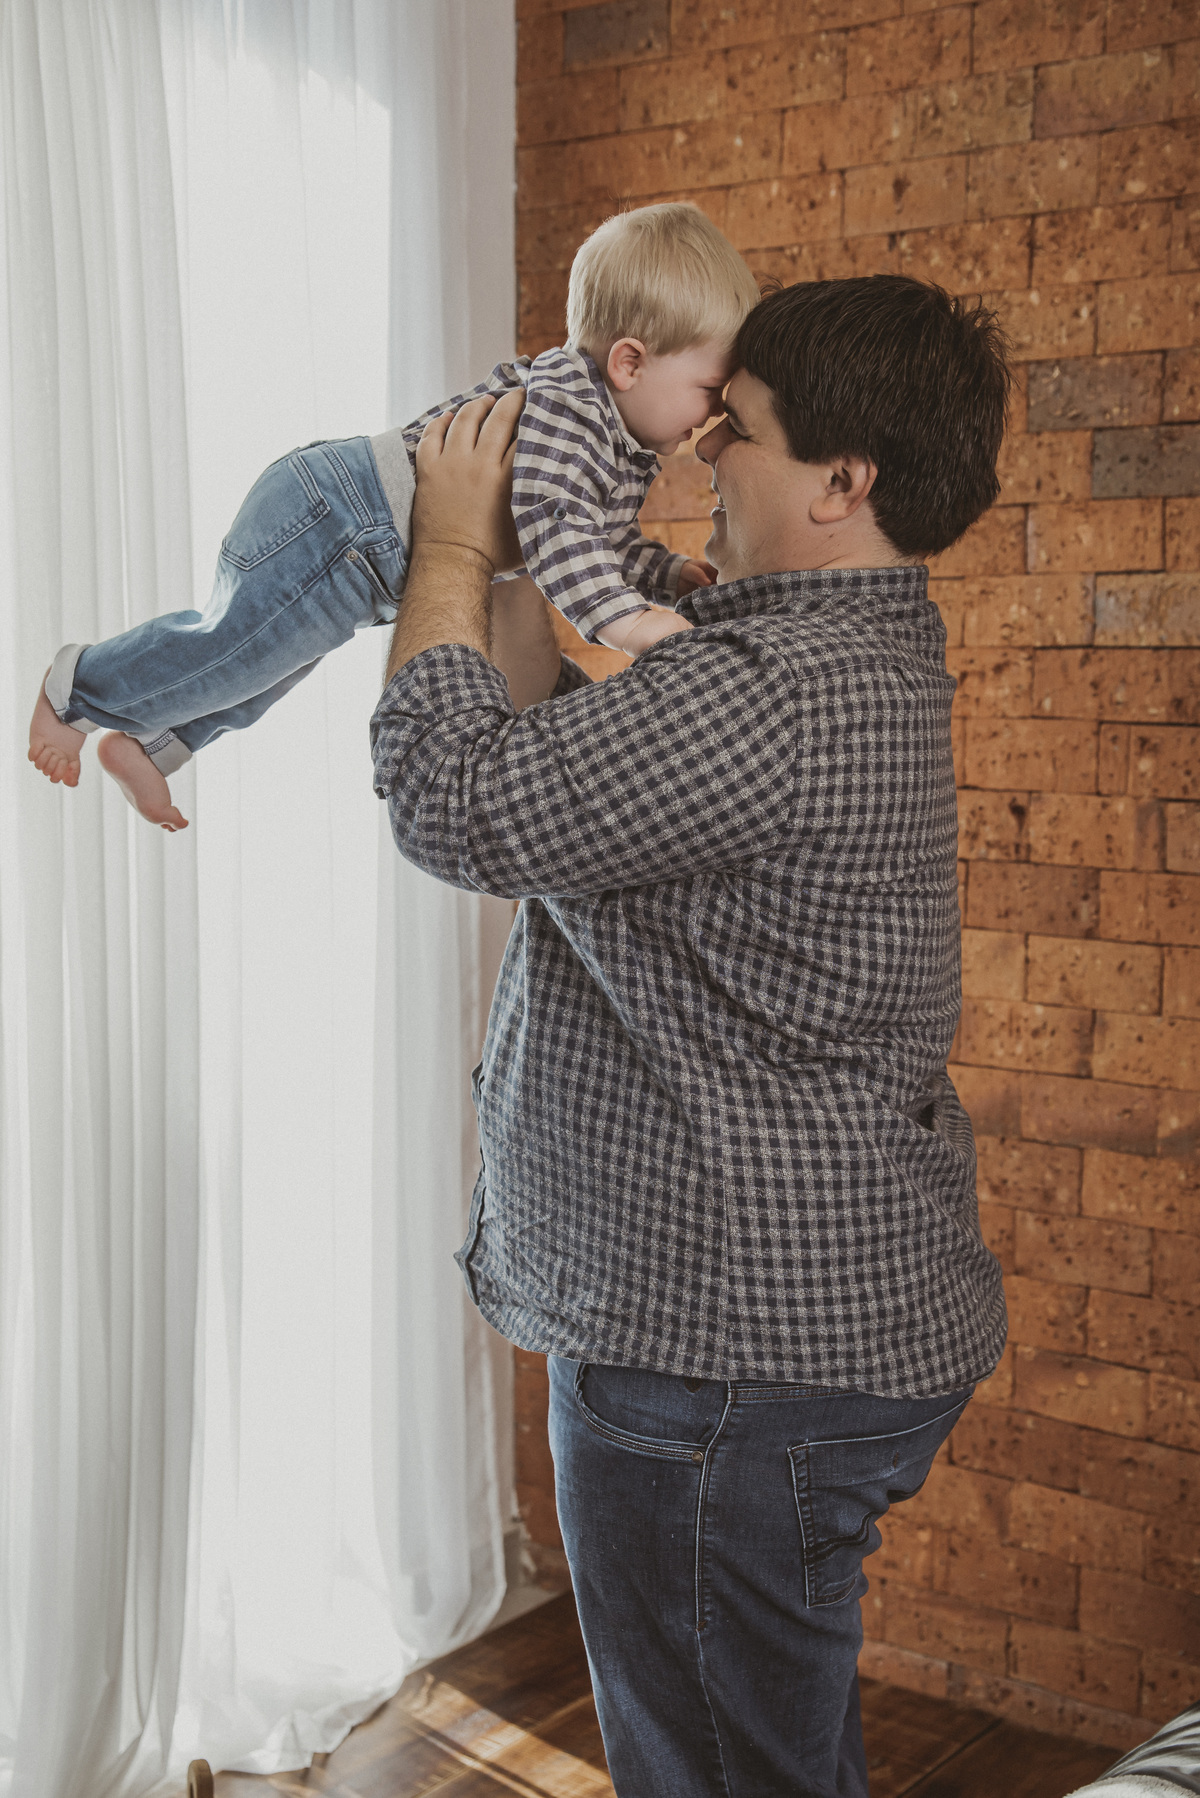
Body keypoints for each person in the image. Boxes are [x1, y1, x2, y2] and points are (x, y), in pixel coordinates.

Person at [371, 272, 1011, 1798]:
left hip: (723, 1365)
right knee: (763, 1749)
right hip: (826, 1321)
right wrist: (528, 545)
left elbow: (451, 796)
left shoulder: (758, 696)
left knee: (718, 1775)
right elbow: (576, 740)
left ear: (841, 483)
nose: (698, 447)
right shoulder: (856, 645)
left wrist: (448, 544)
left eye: (742, 428)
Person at [27, 202, 758, 830]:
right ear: (629, 363)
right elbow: (555, 524)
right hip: (338, 516)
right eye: (708, 389)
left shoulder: (618, 446)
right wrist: (628, 623)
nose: (711, 414)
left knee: (268, 668)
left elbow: (600, 542)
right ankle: (74, 690)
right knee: (235, 649)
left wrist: (664, 576)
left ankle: (153, 744)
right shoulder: (573, 402)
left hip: (364, 556)